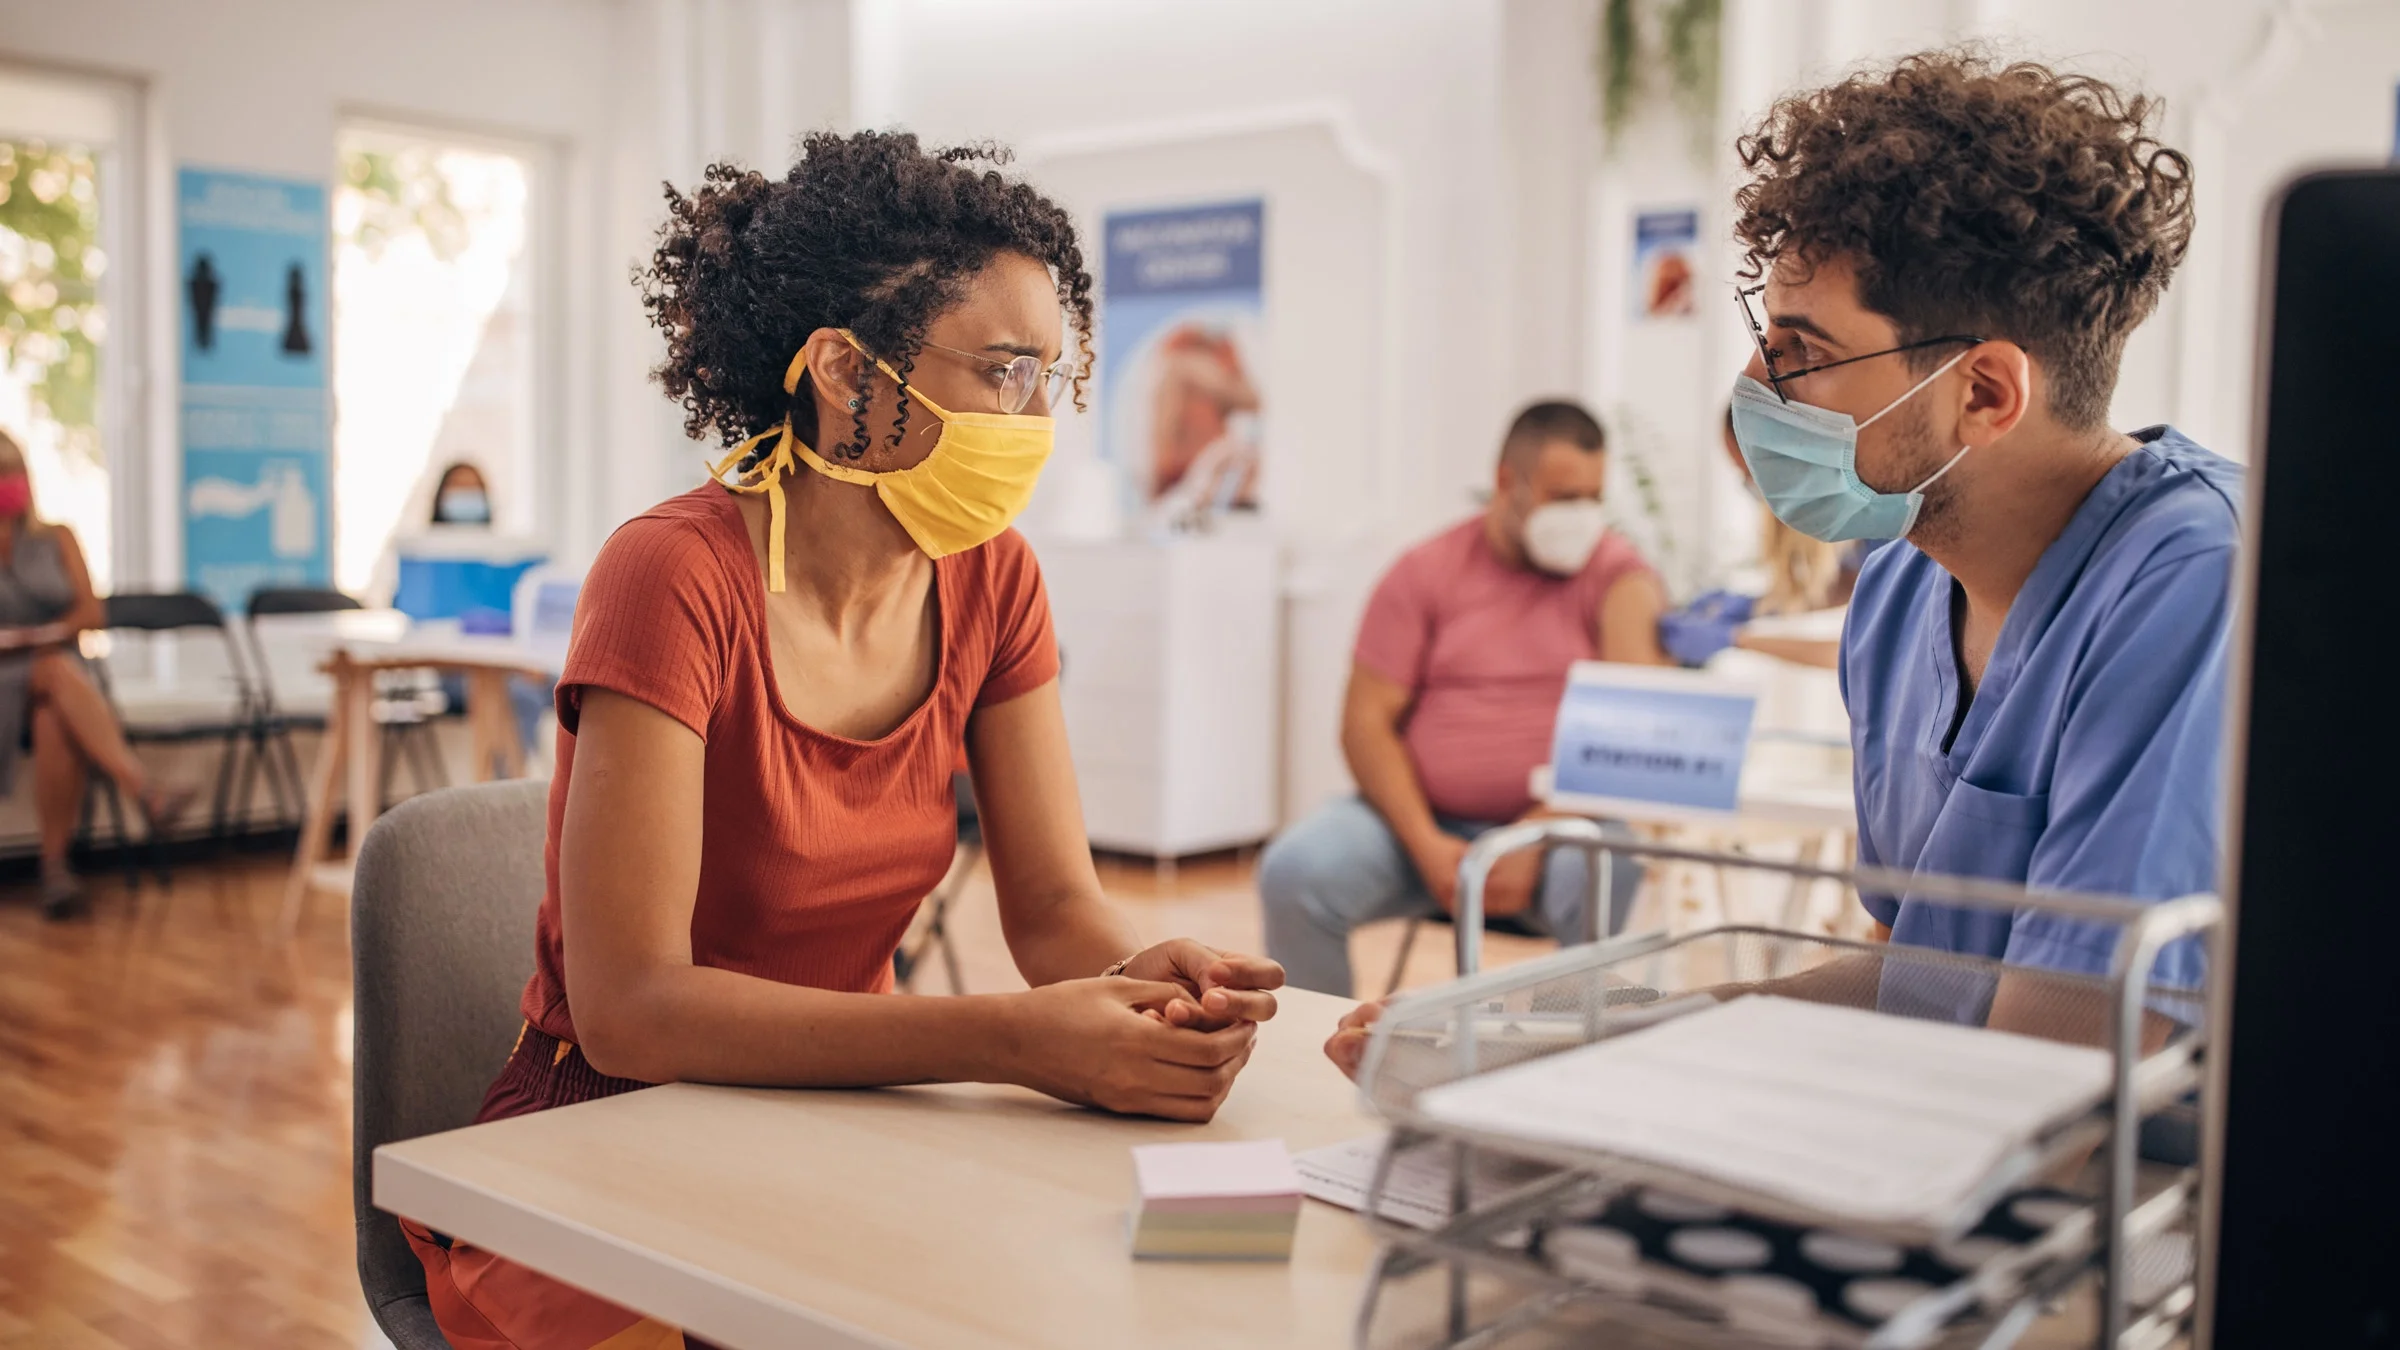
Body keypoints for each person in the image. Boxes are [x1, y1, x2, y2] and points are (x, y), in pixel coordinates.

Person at [401, 132, 1285, 1350]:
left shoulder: (996, 579)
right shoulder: (673, 575)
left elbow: (1053, 914)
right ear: (841, 372)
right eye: (1003, 373)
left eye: (1046, 380)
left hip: (849, 1107)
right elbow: (633, 1011)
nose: (1034, 420)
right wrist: (1009, 1041)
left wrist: (1141, 981)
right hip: (604, 1139)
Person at [1328, 49, 2228, 1072]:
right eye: (1769, 338)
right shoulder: (1899, 590)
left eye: (1802, 350)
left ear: (1984, 393)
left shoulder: (2193, 584)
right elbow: (1911, 985)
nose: (1757, 384)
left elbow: (2059, 1074)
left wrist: (1620, 1097)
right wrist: (1554, 1035)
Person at [1259, 402, 1671, 998]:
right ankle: (1319, 1054)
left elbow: (1630, 738)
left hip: (1559, 830)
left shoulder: (1620, 579)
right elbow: (1365, 724)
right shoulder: (1425, 571)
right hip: (1424, 830)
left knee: (1609, 867)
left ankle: (1563, 1061)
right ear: (1508, 482)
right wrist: (1426, 842)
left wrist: (1531, 834)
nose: (1581, 516)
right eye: (1563, 496)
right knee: (1294, 873)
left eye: (1592, 497)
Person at [0, 430, 192, 919]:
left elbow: (92, 613)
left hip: (56, 675)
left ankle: (54, 870)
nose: (8, 484)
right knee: (54, 671)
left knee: (53, 712)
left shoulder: (55, 537)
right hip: (5, 677)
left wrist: (40, 634)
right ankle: (143, 792)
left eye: (13, 472)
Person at [1657, 406, 1867, 671]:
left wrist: (1736, 638)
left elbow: (1865, 656)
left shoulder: (1883, 526)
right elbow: (1852, 584)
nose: (1750, 486)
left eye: (1749, 474)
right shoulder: (1850, 531)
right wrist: (1758, 607)